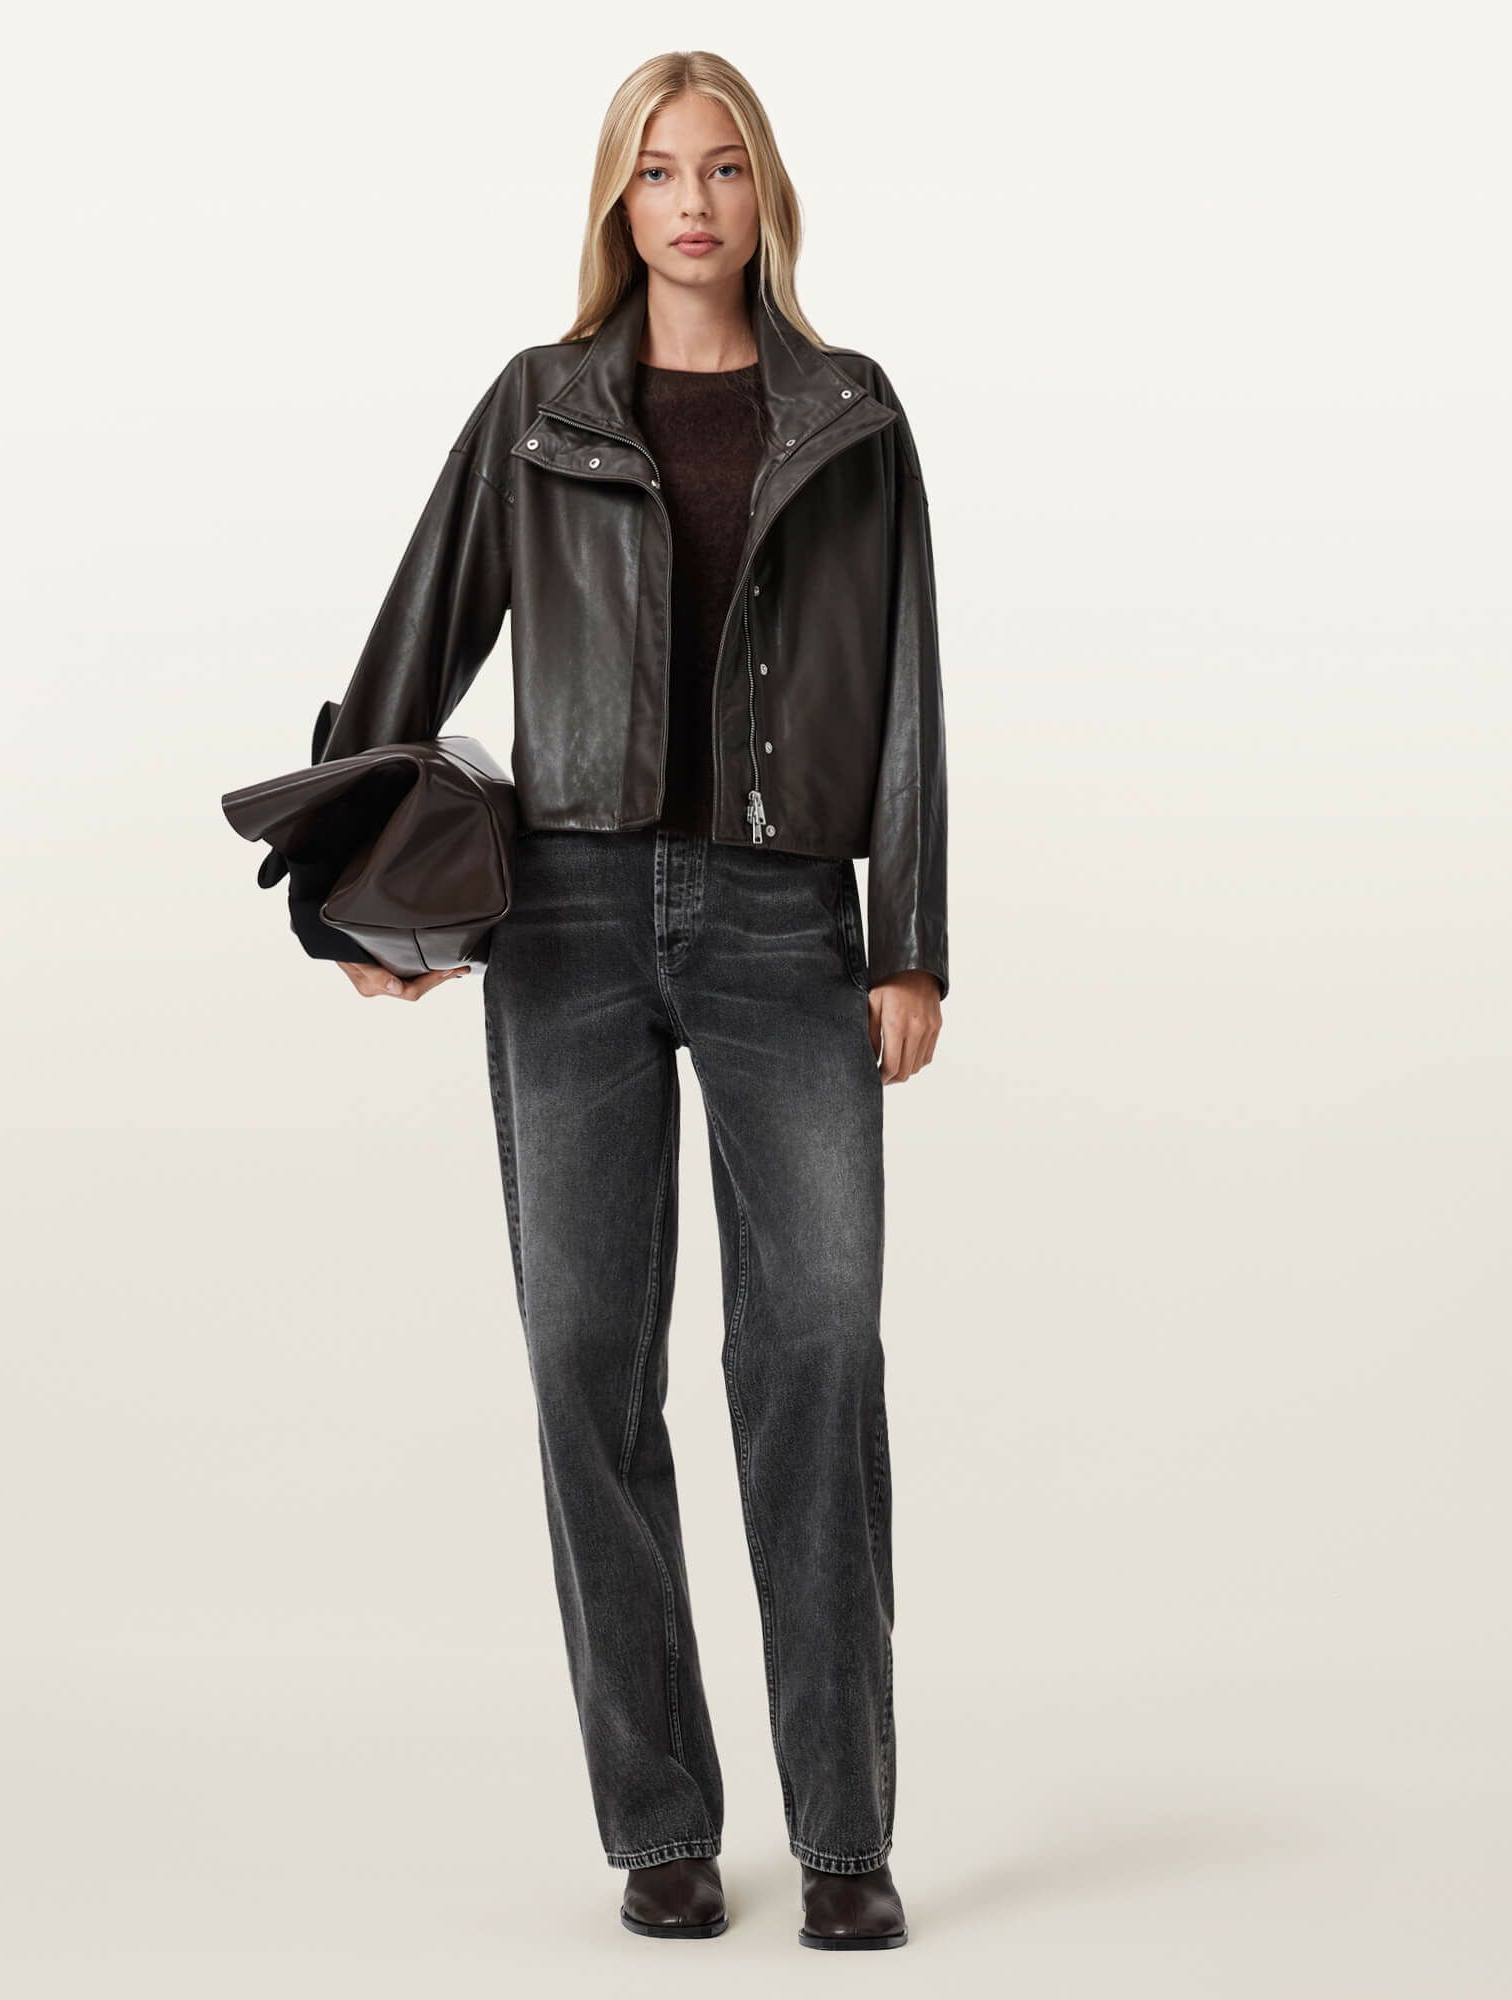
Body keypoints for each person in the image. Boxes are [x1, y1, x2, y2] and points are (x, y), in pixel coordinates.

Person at [264, 50, 948, 1950]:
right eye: (659, 172)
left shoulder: (853, 413)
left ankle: (843, 1837)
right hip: (562, 920)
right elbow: (413, 642)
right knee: (584, 1362)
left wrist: (909, 940)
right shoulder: (538, 406)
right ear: (616, 202)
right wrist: (357, 890)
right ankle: (661, 1824)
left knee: (817, 1356)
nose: (693, 203)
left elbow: (909, 685)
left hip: (785, 918)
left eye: (722, 169)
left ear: (766, 194)